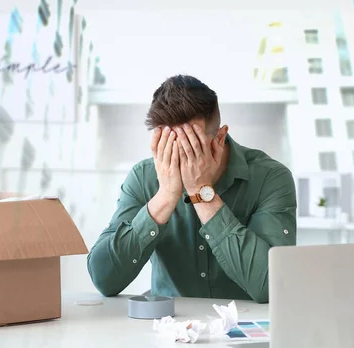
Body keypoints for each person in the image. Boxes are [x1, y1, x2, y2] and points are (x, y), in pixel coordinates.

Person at [86, 75, 297, 303]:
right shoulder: (143, 177)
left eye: (191, 145)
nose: (179, 156)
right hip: (168, 329)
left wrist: (201, 192)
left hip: (245, 327)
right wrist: (165, 195)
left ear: (219, 138)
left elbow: (271, 286)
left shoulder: (270, 178)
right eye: (169, 143)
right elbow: (104, 279)